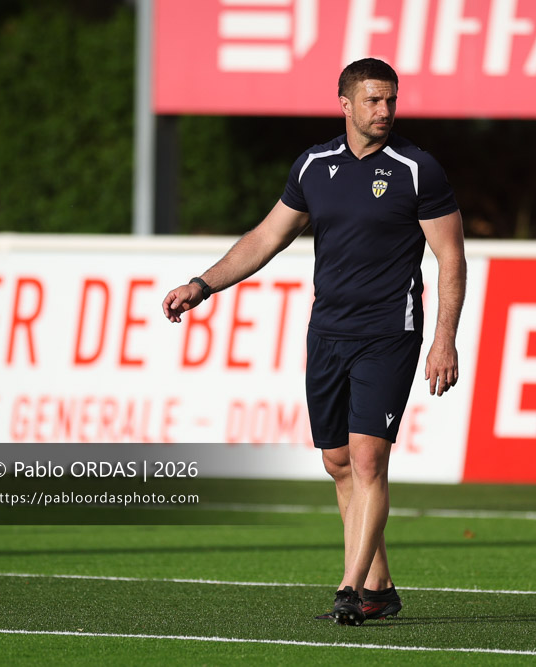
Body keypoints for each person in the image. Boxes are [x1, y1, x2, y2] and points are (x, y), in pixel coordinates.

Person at [161, 58, 466, 626]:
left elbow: (450, 256)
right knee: (338, 462)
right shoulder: (314, 165)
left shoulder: (417, 169)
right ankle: (378, 584)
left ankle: (348, 590)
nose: (385, 111)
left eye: (391, 101)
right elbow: (265, 238)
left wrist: (443, 338)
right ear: (345, 103)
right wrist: (202, 285)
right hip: (327, 333)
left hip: (389, 333)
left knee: (370, 459)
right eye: (374, 101)